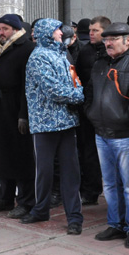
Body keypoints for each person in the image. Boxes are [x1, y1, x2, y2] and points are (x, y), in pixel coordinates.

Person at [86, 22, 129, 249]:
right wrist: (91, 114)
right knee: (110, 185)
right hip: (102, 133)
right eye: (106, 39)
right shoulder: (99, 64)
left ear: (128, 40)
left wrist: (126, 117)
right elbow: (89, 93)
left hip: (127, 135)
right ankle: (115, 224)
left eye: (114, 39)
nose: (108, 43)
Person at [22, 19, 85, 234]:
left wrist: (77, 92)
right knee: (45, 172)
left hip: (66, 122)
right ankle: (41, 209)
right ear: (47, 33)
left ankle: (74, 218)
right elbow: (54, 90)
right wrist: (79, 96)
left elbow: (75, 81)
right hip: (45, 125)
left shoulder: (62, 54)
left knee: (71, 173)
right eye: (57, 29)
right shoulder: (39, 57)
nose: (61, 32)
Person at [0, 14, 36, 216]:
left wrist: (24, 114)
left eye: (5, 29)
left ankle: (26, 201)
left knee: (20, 156)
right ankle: (5, 197)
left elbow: (27, 86)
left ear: (15, 30)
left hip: (15, 109)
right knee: (1, 155)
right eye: (0, 28)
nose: (1, 33)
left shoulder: (27, 49)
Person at [74, 15, 110, 205]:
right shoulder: (85, 50)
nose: (91, 33)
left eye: (95, 30)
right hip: (88, 110)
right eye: (90, 30)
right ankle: (90, 190)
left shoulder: (111, 51)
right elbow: (78, 79)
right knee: (87, 151)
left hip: (109, 111)